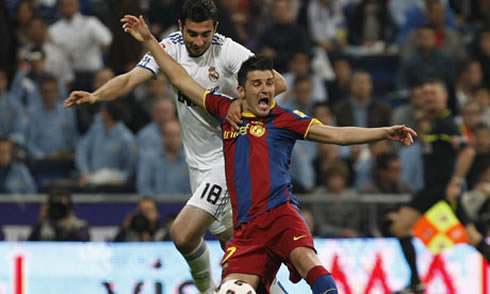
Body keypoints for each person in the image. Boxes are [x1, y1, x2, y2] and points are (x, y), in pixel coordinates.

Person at [121, 14, 416, 293]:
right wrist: (148, 40)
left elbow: (336, 134)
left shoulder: (285, 119)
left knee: (308, 262)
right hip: (247, 230)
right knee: (230, 289)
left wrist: (384, 132)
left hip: (281, 215)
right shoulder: (226, 112)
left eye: (269, 84)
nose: (265, 90)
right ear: (241, 90)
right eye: (257, 84)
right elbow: (180, 78)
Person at [64, 1, 287, 293]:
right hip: (199, 165)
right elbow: (132, 78)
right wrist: (95, 96)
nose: (199, 41)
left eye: (205, 34)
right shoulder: (170, 48)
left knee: (182, 233)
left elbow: (278, 83)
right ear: (181, 27)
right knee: (238, 254)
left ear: (215, 29)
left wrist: (238, 103)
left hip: (230, 159)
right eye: (192, 34)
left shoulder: (229, 50)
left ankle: (207, 290)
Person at [386, 79, 490, 294]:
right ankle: (415, 283)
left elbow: (468, 152)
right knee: (472, 236)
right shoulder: (433, 124)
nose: (428, 98)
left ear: (445, 97)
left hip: (442, 190)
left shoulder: (446, 123)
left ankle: (415, 284)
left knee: (472, 237)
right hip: (434, 190)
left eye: (433, 93)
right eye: (424, 94)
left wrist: (455, 181)